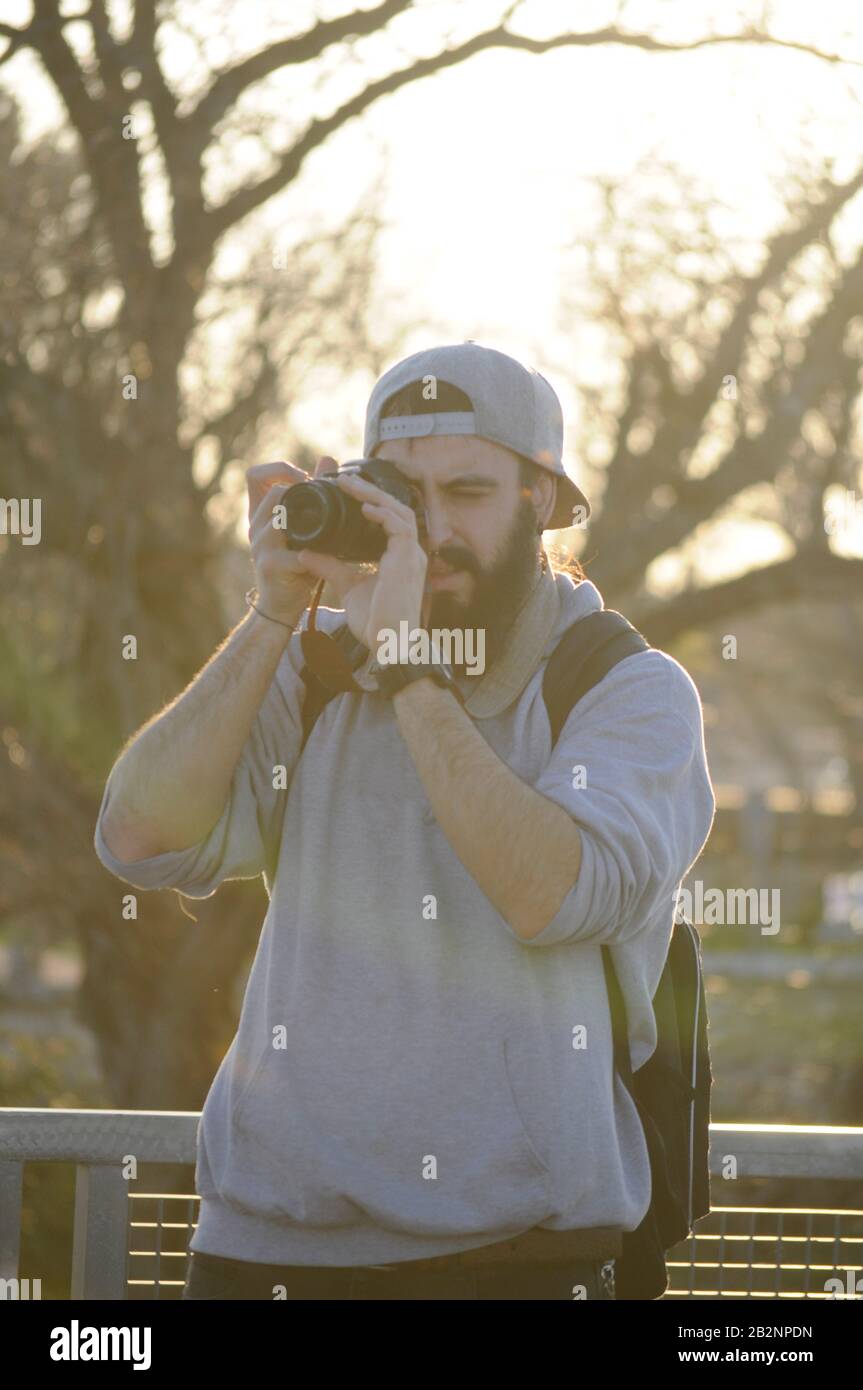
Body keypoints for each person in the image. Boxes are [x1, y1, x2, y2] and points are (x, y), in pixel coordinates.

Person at [94, 342, 716, 1301]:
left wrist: (410, 666)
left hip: (520, 1256)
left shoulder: (625, 690)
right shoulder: (316, 666)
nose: (432, 529)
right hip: (263, 1243)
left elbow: (548, 894)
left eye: (467, 491)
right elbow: (136, 841)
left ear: (540, 501)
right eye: (404, 491)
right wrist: (273, 612)